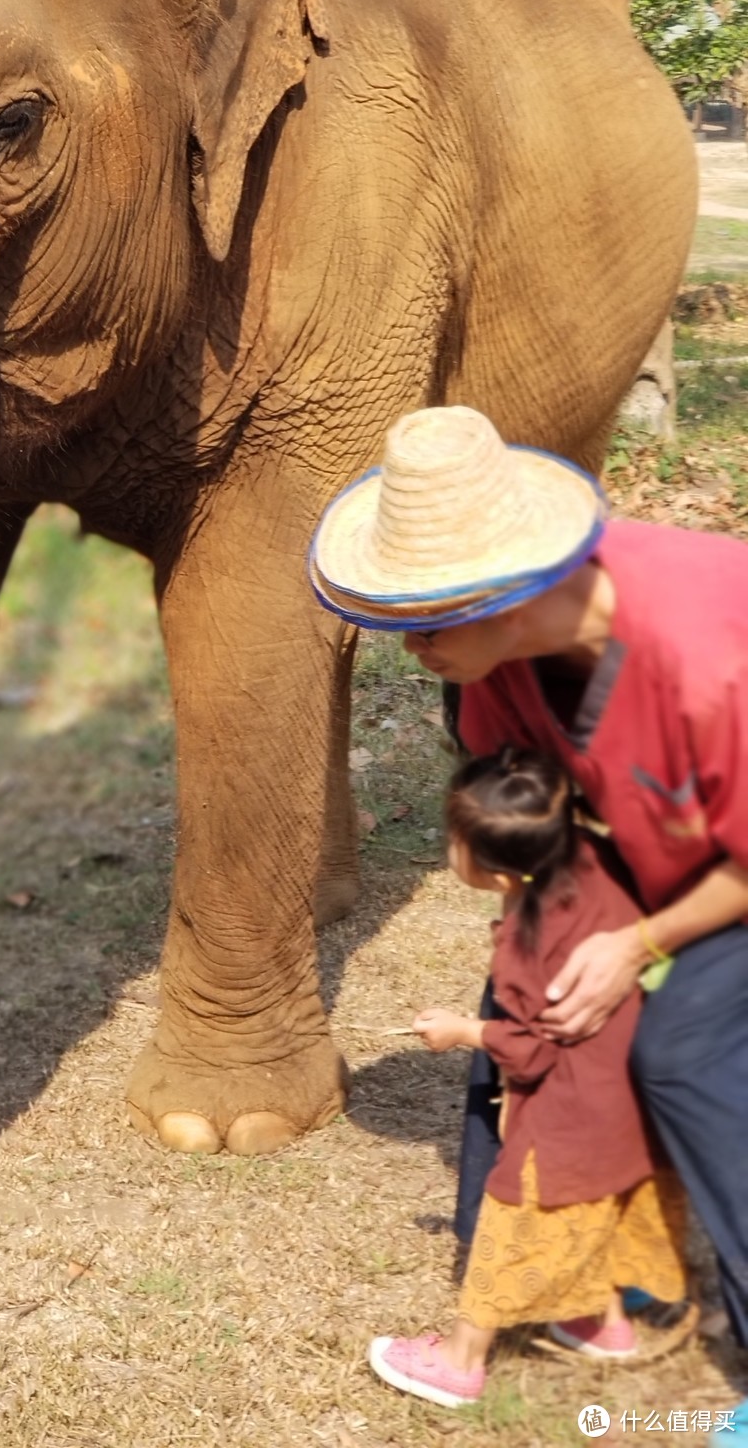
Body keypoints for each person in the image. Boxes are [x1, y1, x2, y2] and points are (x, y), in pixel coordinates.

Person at [309, 404, 748, 1432]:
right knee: (526, 1010)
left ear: (498, 597)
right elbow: (551, 820)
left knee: (685, 1056)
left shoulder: (713, 652)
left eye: (420, 622)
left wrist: (637, 944)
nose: (405, 648)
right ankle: (561, 1280)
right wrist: (551, 948)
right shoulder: (494, 668)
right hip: (652, 857)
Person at [368, 743, 686, 1409]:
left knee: (516, 1224)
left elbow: (534, 1049)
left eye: (452, 839)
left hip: (572, 1111)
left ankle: (459, 1362)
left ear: (497, 873)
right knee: (595, 1209)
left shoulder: (525, 941)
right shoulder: (596, 863)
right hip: (637, 1096)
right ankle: (604, 1325)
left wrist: (464, 1031)